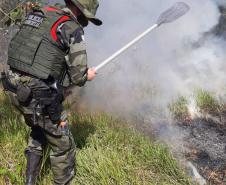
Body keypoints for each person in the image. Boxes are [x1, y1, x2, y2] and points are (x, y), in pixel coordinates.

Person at [1, 0, 102, 184]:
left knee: (39, 129)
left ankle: (30, 182)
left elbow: (39, 58)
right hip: (36, 95)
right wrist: (88, 75)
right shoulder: (72, 28)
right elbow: (78, 77)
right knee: (64, 145)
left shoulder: (39, 13)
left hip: (11, 86)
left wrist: (57, 88)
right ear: (81, 11)